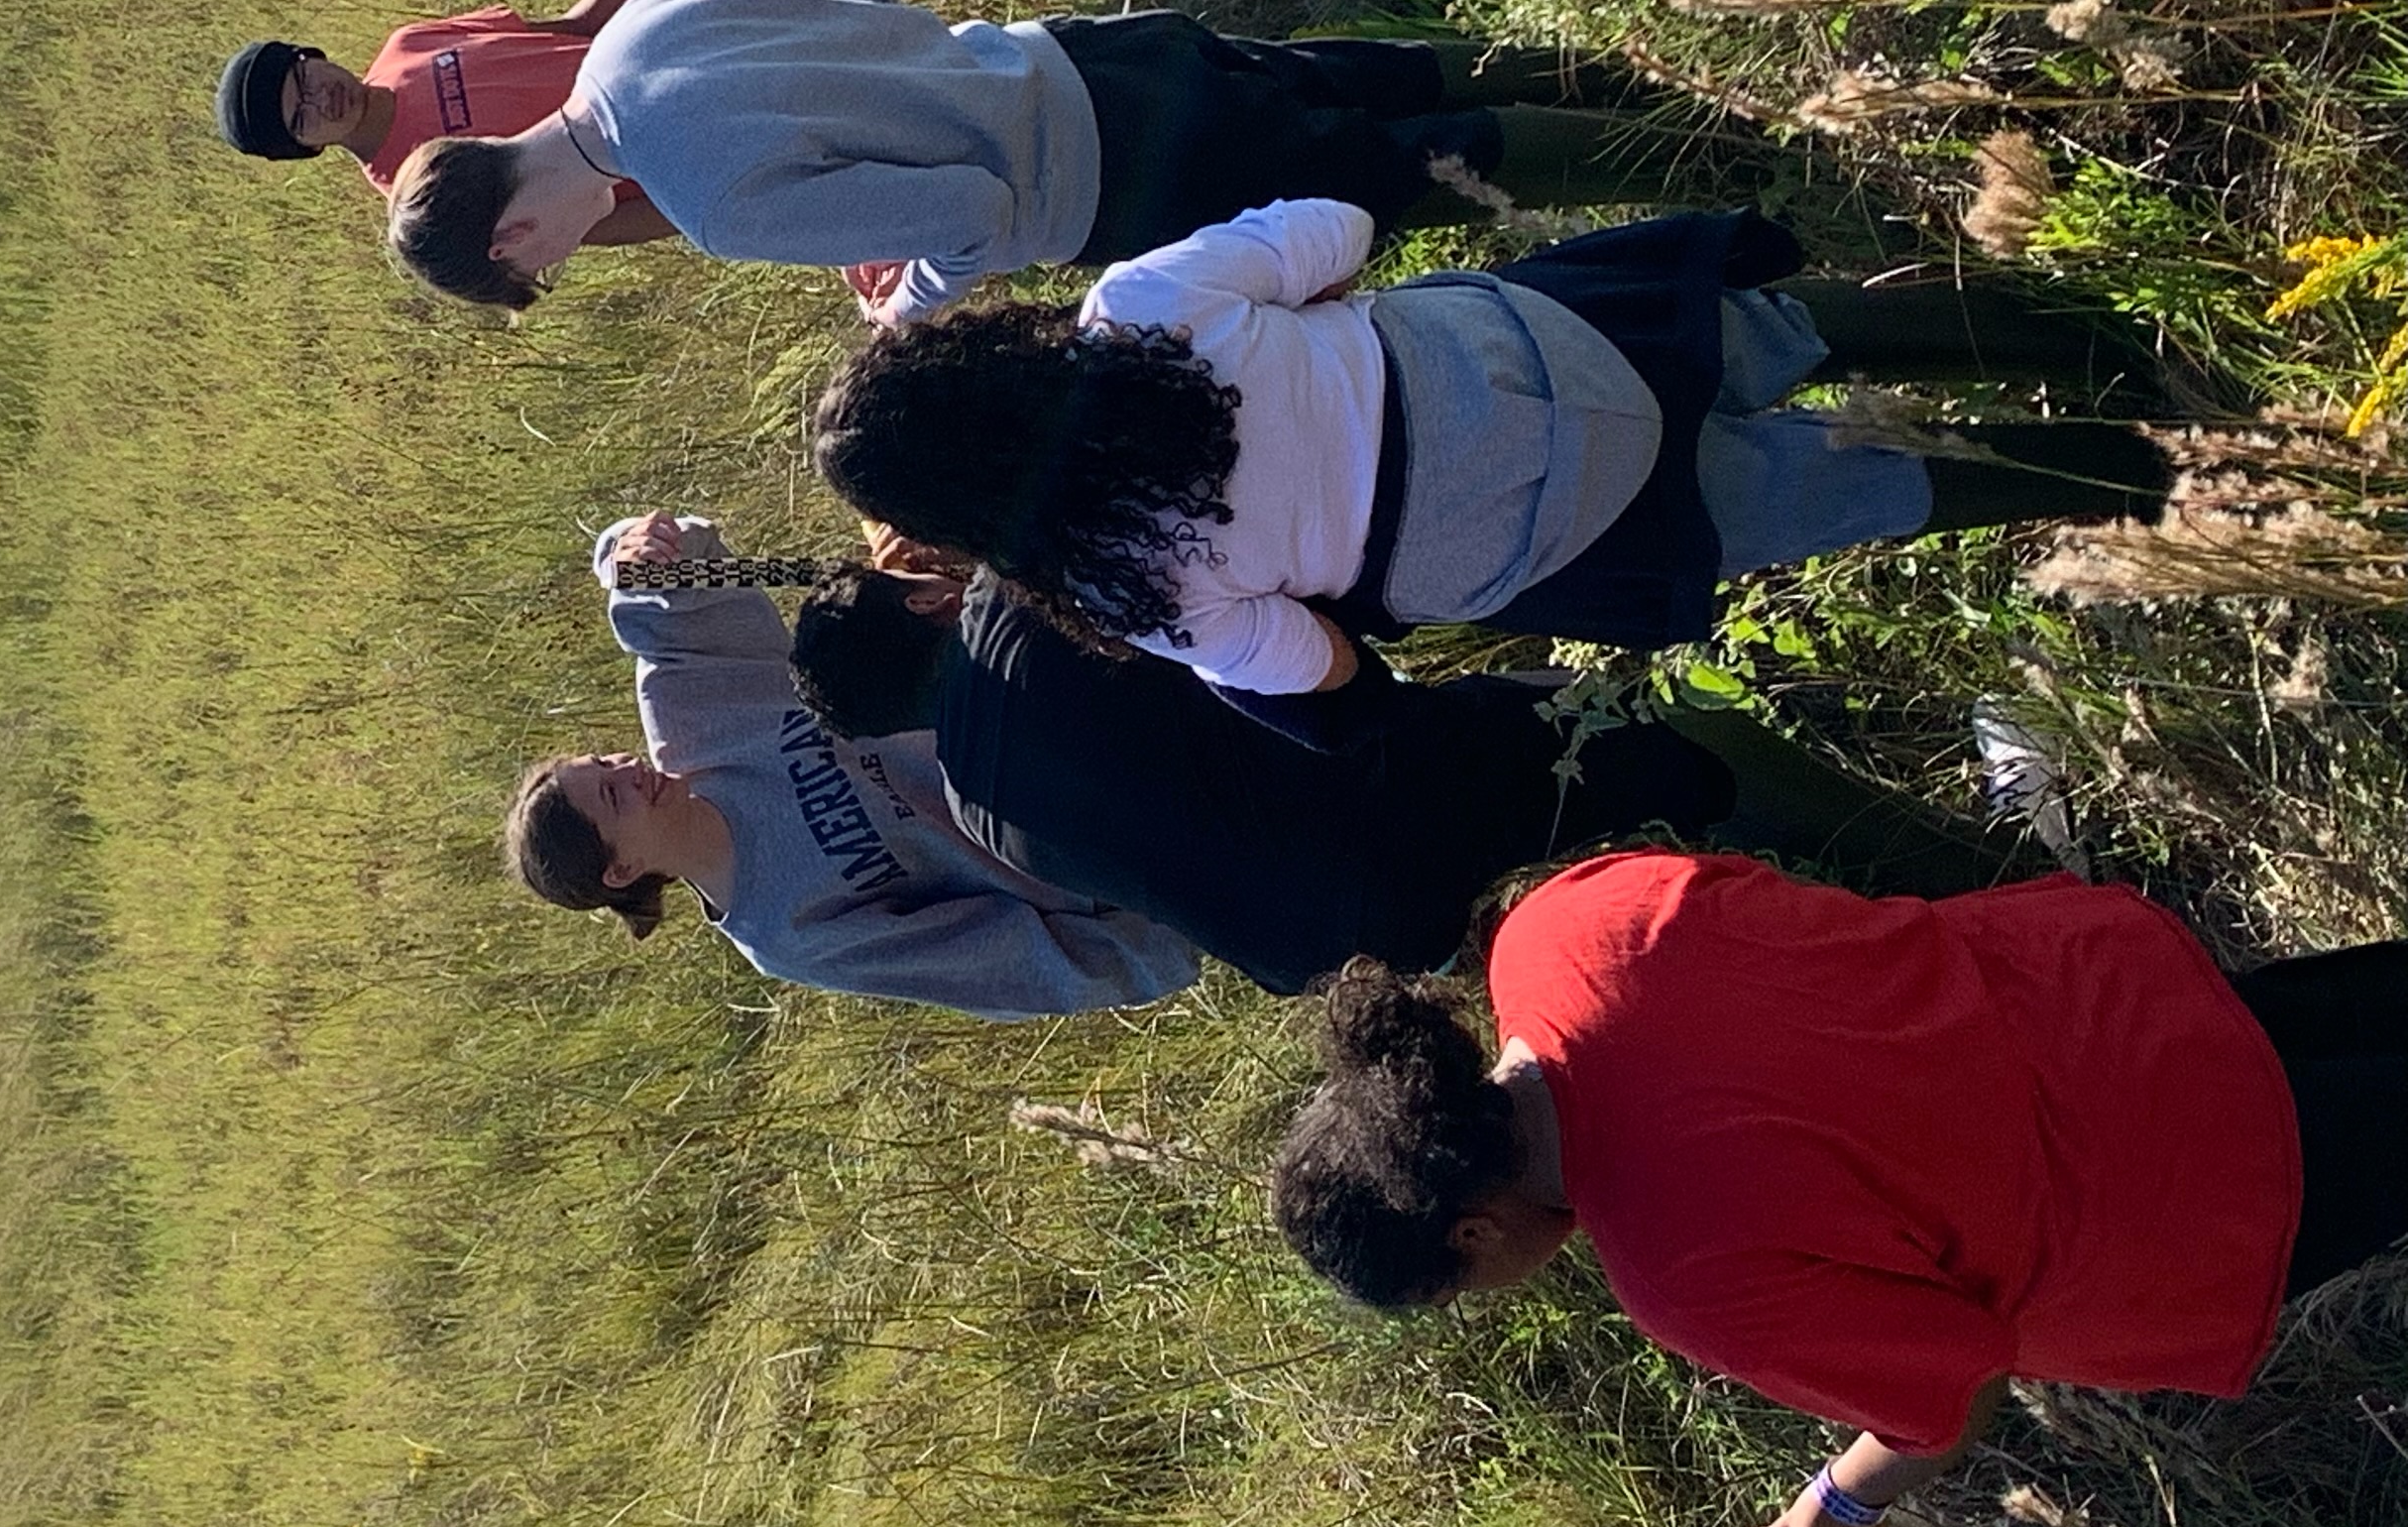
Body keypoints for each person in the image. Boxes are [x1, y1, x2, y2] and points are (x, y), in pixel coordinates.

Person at [1266, 848, 2408, 1527]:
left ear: (1470, 1233)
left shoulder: (1688, 1279)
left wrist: (1844, 1505)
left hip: (2205, 1189)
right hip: (2124, 989)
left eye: (1462, 1286)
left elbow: (1949, 1387)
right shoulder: (1565, 928)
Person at [808, 196, 2177, 694]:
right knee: (1753, 334)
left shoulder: (1119, 586)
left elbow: (1309, 666)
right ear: (973, 348)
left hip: (1552, 532)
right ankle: (2068, 330)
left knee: (1823, 493)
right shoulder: (1138, 312)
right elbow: (1336, 227)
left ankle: (2136, 474)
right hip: (1545, 358)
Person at [780, 564, 2025, 992]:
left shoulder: (991, 817)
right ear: (928, 595)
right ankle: (1999, 881)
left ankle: (1850, 892)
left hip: (1382, 947)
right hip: (1394, 807)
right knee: (1661, 732)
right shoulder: (1025, 601)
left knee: (1597, 774)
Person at [382, 0, 1680, 320]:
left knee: (1426, 170)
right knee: (1385, 78)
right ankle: (1653, 76)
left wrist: (908, 308)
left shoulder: (710, 208)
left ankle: (1713, 153)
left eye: (539, 269)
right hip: (1086, 52)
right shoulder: (636, 32)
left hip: (1123, 175)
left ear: (513, 232)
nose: (570, 259)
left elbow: (965, 212)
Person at [502, 513, 1202, 1018]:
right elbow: (1006, 964)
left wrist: (624, 559)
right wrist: (1190, 927)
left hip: (1067, 672)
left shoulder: (688, 712)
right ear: (620, 870)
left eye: (603, 761)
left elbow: (677, 570)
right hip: (1129, 841)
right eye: (612, 797)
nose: (626, 768)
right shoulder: (786, 932)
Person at [214, 0, 678, 216]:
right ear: (307, 147)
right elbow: (596, 224)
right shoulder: (420, 191)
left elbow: (571, 30)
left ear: (311, 56)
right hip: (686, 147)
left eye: (303, 77)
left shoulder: (408, 44)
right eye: (301, 117)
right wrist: (702, 204)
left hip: (675, 53)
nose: (320, 99)